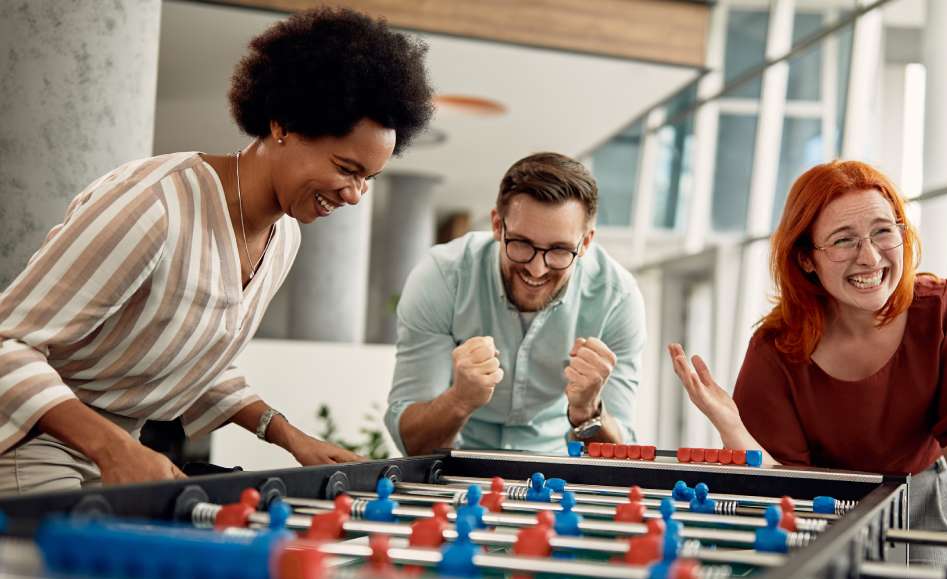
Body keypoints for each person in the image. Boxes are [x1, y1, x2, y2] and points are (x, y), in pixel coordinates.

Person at [0, 7, 434, 494]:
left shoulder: (284, 235)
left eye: (368, 180)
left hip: (117, 450)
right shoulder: (155, 203)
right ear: (283, 125)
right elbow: (8, 347)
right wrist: (112, 448)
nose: (354, 195)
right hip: (26, 441)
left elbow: (193, 356)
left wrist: (290, 437)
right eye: (346, 168)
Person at [669, 160, 947, 579]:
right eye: (843, 240)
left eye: (881, 232)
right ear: (806, 258)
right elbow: (782, 488)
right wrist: (731, 426)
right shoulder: (777, 348)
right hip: (824, 514)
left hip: (931, 503)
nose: (871, 257)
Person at [384, 152, 645, 455]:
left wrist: (588, 410)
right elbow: (413, 444)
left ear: (585, 243)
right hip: (456, 462)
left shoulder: (618, 298)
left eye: (560, 250)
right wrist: (460, 398)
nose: (537, 269)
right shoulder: (442, 277)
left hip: (558, 468)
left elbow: (620, 458)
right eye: (521, 243)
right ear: (497, 225)